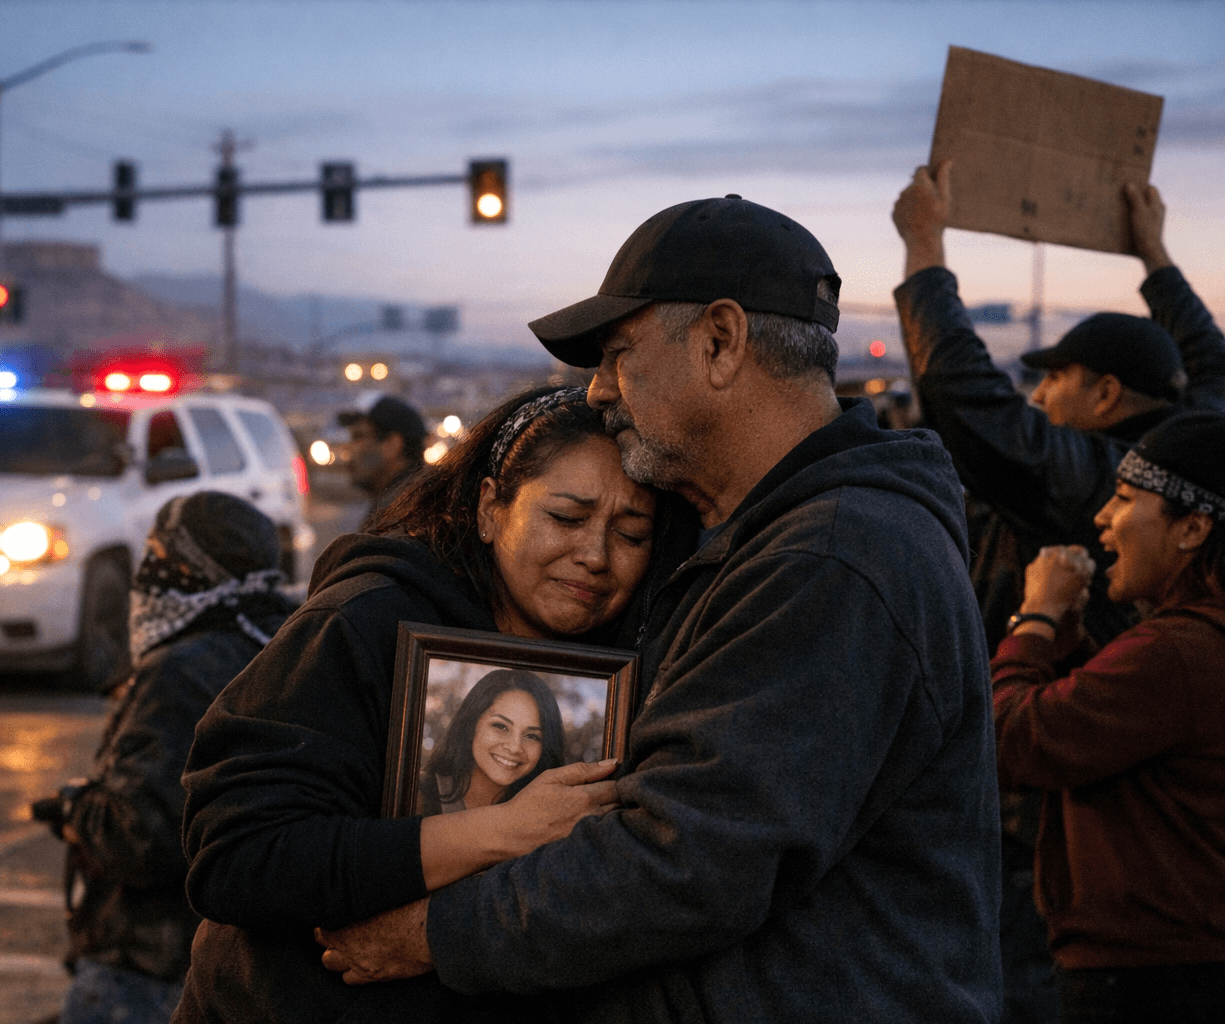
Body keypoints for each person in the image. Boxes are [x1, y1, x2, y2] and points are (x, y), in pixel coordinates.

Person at [318, 196, 1000, 1022]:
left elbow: (685, 860)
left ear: (720, 341)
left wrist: (432, 934)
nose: (599, 389)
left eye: (619, 353)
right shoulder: (770, 537)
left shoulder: (831, 560)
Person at [172, 385, 677, 1023]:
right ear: (490, 509)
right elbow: (238, 857)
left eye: (631, 534)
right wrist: (507, 830)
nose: (595, 556)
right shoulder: (364, 621)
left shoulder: (643, 669)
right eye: (566, 518)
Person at [892, 162, 1225, 1023]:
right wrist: (1154, 256)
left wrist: (925, 248)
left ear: (1107, 394)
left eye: (1055, 381)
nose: (1036, 398)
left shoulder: (1096, 479)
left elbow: (967, 401)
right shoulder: (1196, 453)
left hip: (1056, 840)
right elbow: (1214, 364)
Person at [992, 411, 1225, 1023]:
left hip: (1151, 981)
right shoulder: (1191, 644)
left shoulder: (1178, 649)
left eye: (1123, 498)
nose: (1101, 518)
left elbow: (1006, 742)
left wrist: (1034, 621)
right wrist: (1072, 651)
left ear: (1192, 528)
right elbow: (1128, 739)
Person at [47, 491, 296, 1024]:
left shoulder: (181, 670)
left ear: (189, 568)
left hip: (146, 965)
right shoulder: (283, 646)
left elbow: (142, 836)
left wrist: (75, 809)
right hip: (244, 962)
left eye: (158, 554)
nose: (146, 572)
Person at [418, 669, 566, 815]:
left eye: (531, 736)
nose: (515, 747)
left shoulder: (546, 813)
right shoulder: (416, 791)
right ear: (471, 725)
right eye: (501, 726)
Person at [337, 392, 428, 526]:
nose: (349, 448)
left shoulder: (399, 516)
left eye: (358, 437)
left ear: (392, 444)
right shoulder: (412, 501)